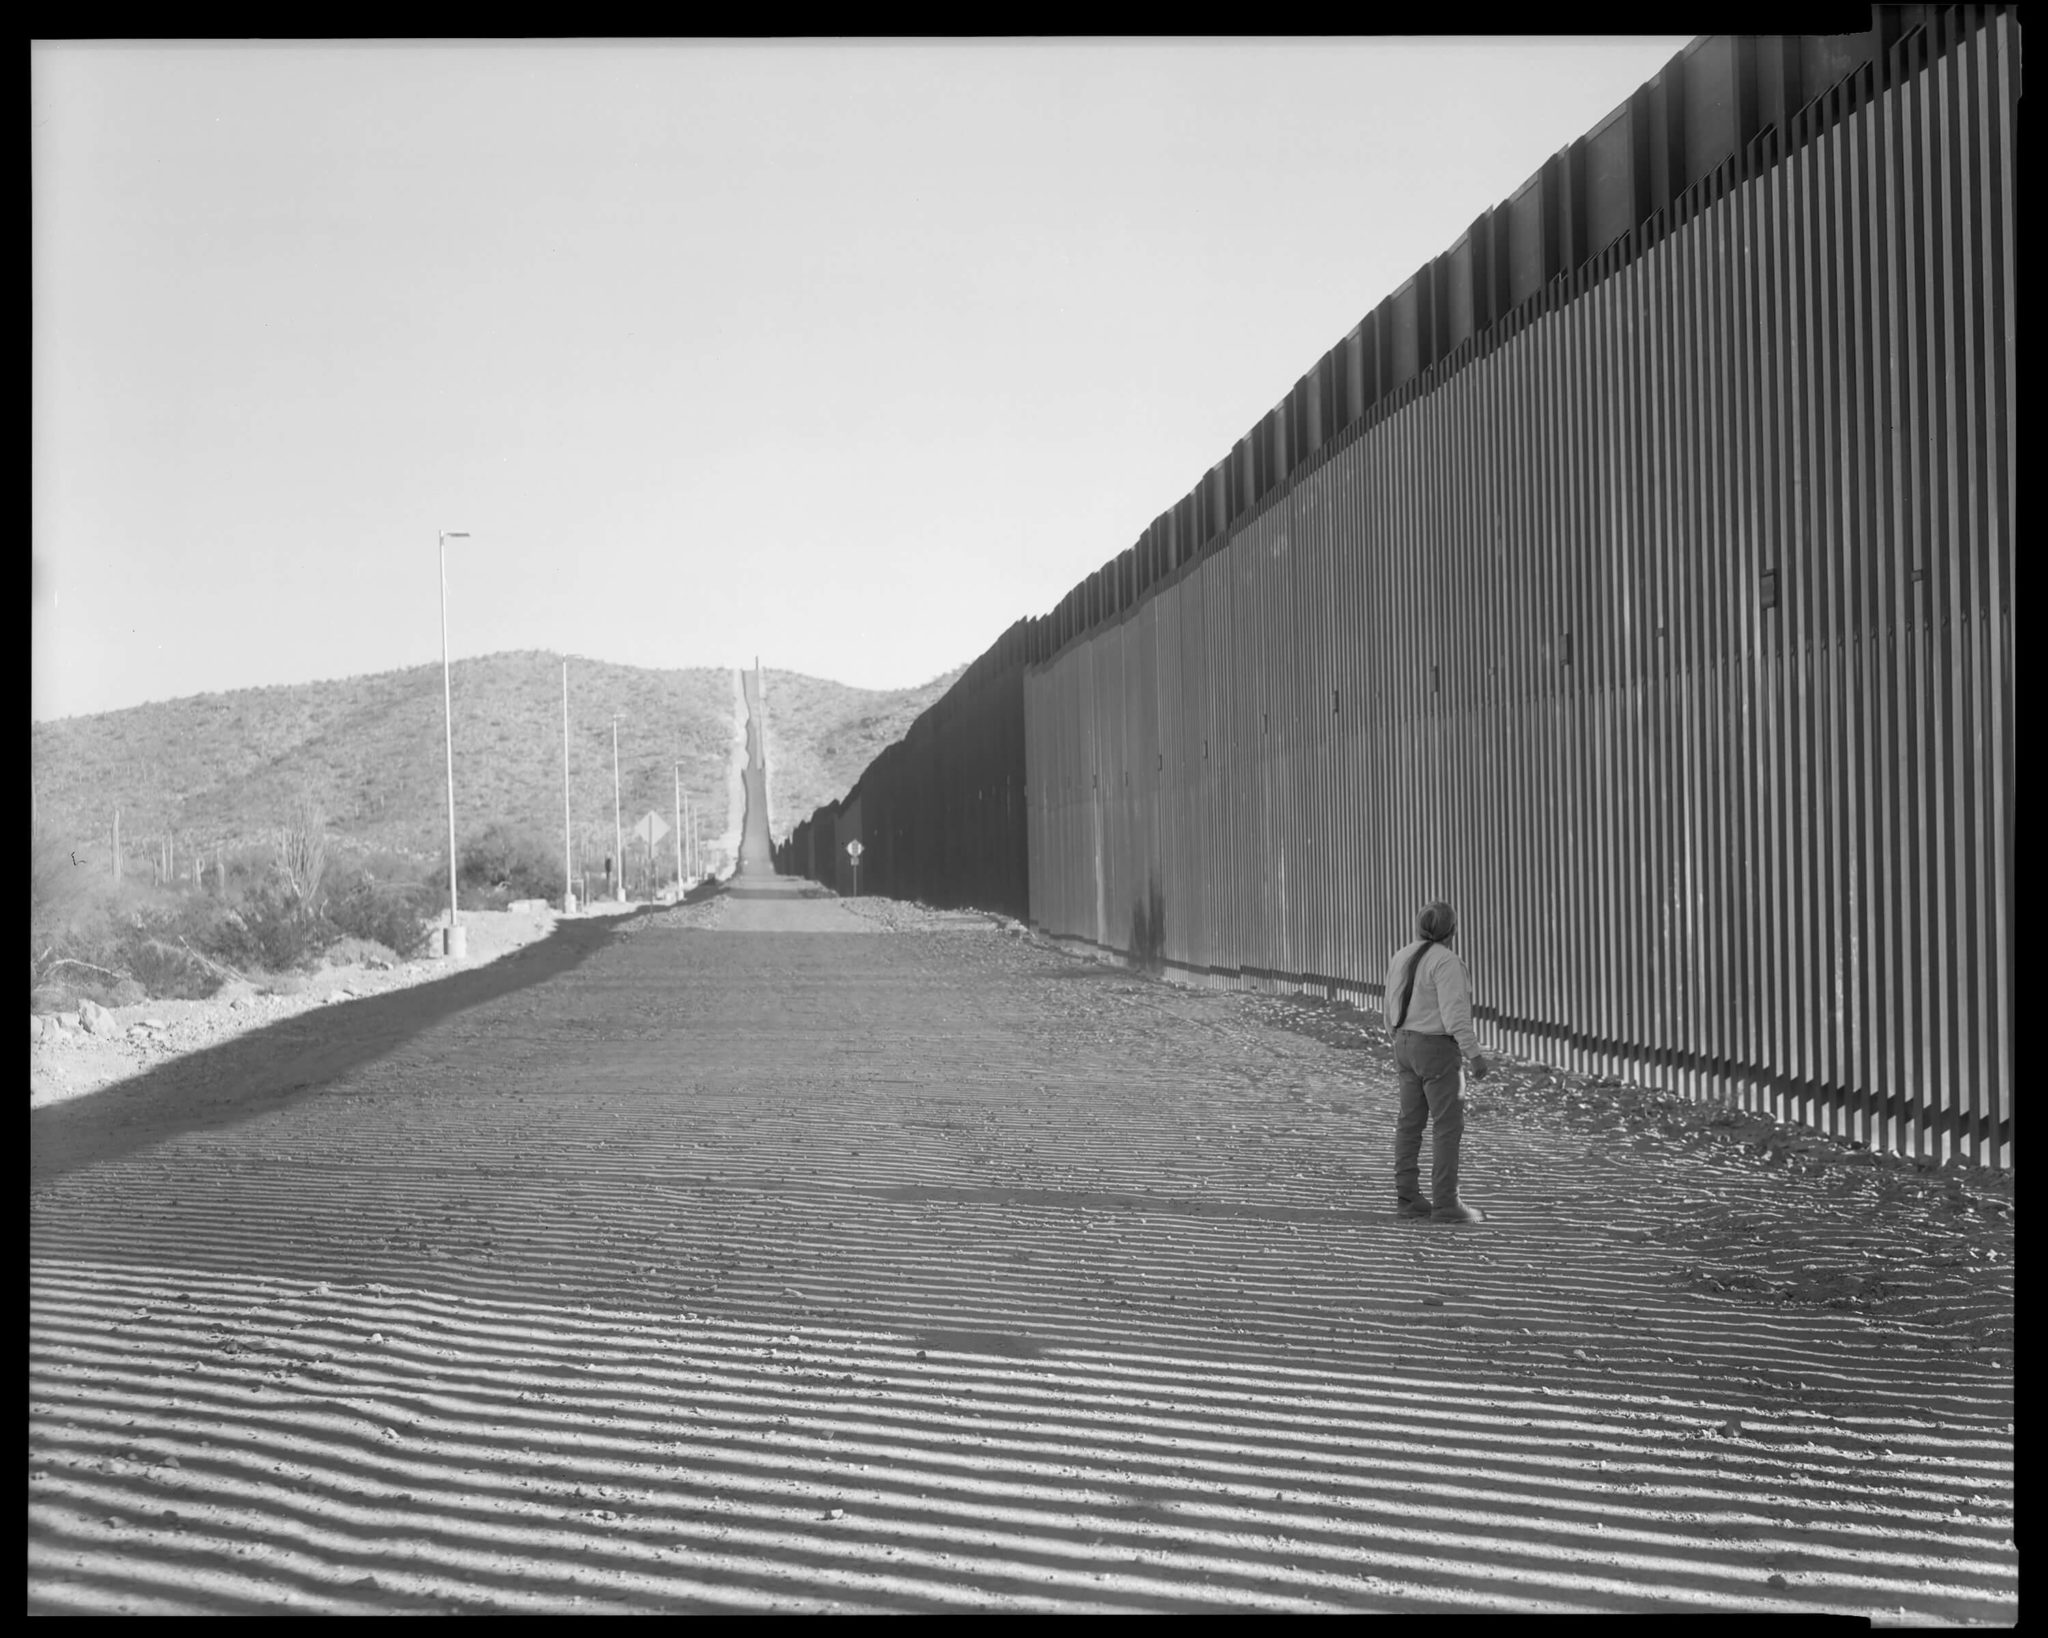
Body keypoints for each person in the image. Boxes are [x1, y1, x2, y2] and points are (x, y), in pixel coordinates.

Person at [1384, 900, 1492, 1224]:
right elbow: (1454, 1015)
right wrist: (1475, 1055)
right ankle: (1446, 1203)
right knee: (1447, 1128)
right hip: (1436, 1049)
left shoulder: (1401, 955)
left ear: (1418, 926)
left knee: (1409, 1124)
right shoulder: (1447, 962)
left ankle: (1408, 1199)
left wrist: (1398, 1037)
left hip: (1403, 1043)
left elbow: (1389, 1002)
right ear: (1453, 931)